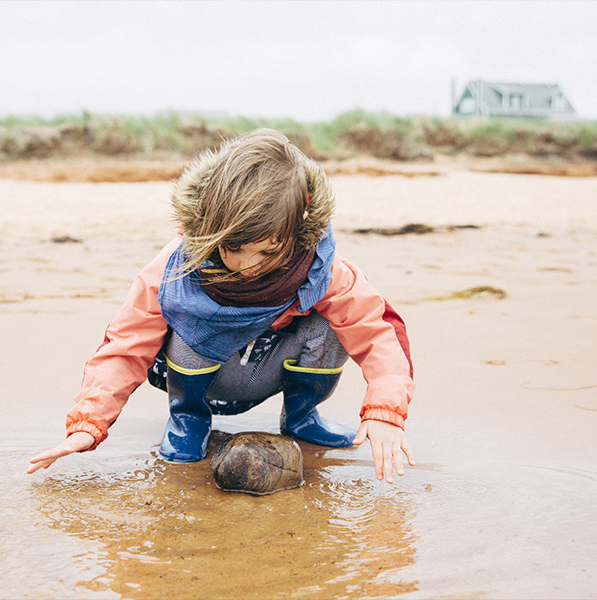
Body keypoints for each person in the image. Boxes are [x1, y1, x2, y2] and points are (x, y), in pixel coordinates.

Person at [28, 128, 415, 482]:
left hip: (272, 369)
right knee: (187, 325)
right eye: (233, 249)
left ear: (298, 228)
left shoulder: (322, 270)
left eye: (267, 251)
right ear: (212, 224)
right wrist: (87, 425)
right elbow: (124, 346)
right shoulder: (174, 269)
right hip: (203, 376)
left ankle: (301, 417)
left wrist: (385, 412)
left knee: (332, 323)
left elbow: (378, 335)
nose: (248, 266)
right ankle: (188, 420)